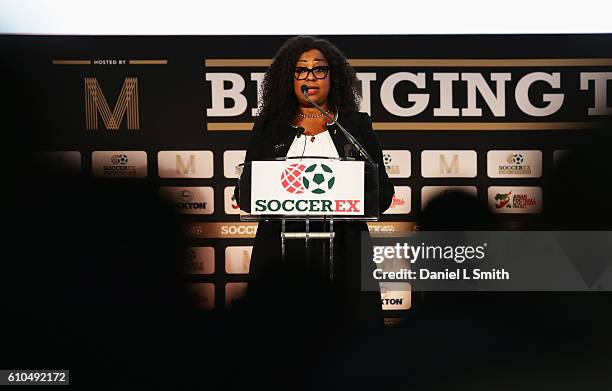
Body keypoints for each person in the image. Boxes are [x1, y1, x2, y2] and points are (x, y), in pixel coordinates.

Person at [234, 36, 394, 332]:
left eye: (319, 69)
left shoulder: (356, 126)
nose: (310, 76)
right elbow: (244, 194)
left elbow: (382, 193)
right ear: (288, 77)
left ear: (333, 76)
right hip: (280, 262)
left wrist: (351, 190)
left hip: (345, 256)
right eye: (301, 70)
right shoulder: (269, 126)